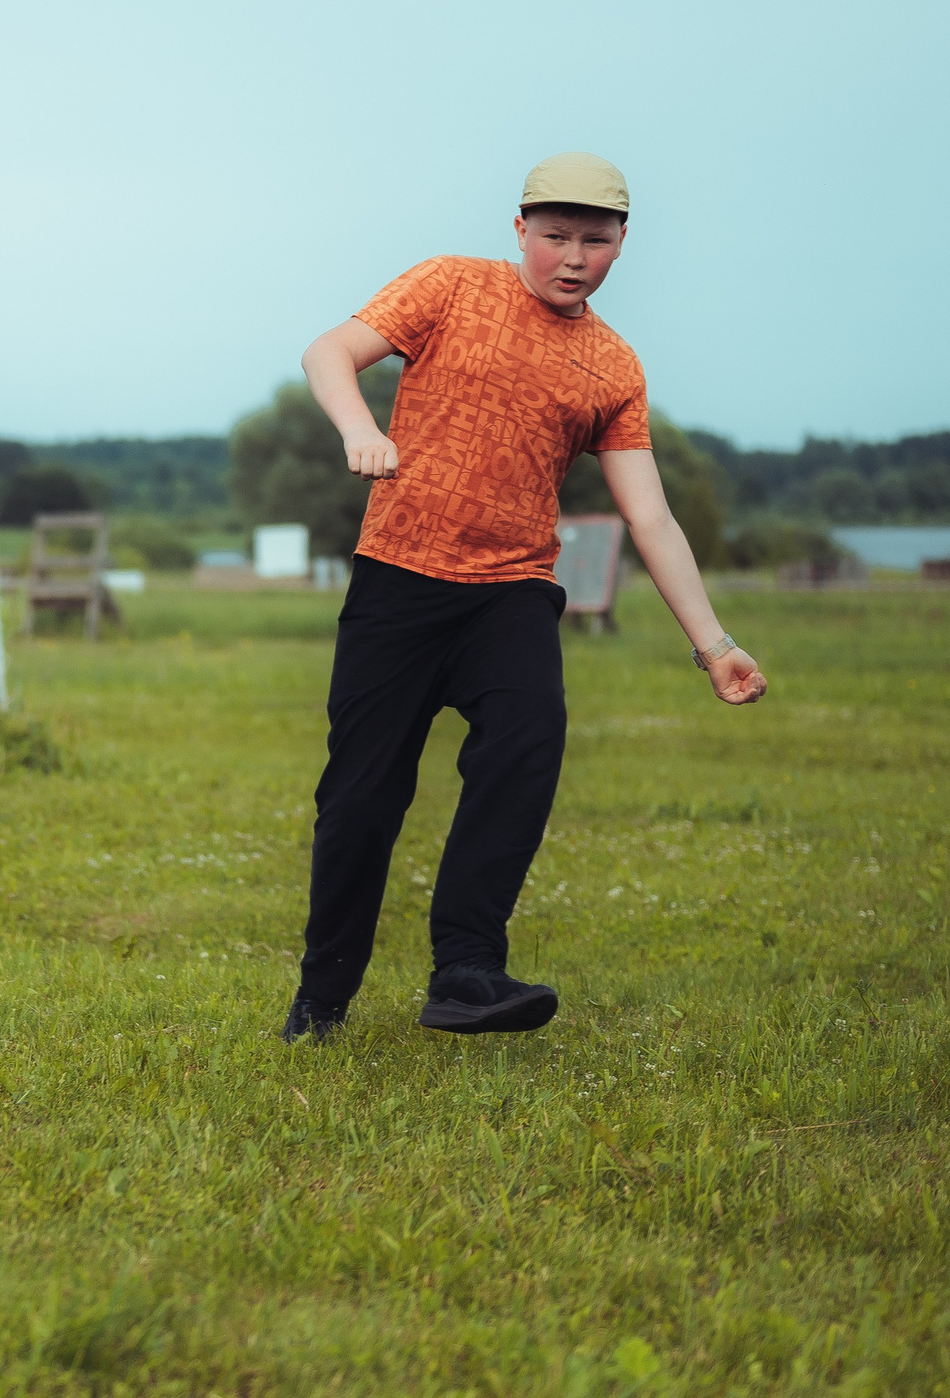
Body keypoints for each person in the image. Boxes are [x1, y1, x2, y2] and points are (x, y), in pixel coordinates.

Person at [283, 152, 767, 1044]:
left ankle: (466, 971)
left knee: (526, 747)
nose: (571, 257)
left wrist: (715, 645)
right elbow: (329, 351)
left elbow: (651, 516)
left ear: (623, 242)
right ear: (520, 230)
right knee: (362, 799)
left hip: (512, 591)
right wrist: (362, 427)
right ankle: (321, 1004)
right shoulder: (449, 287)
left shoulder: (613, 367)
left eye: (594, 239)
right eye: (553, 236)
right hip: (399, 581)